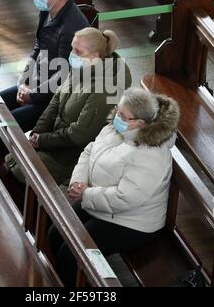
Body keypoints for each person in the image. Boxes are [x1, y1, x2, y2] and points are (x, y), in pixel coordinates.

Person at [48, 88, 180, 286]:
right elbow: (90, 151)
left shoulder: (152, 155)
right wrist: (79, 181)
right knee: (55, 232)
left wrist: (86, 194)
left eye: (122, 115)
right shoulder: (116, 128)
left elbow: (126, 198)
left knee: (70, 254)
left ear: (140, 123)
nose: (116, 117)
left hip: (133, 221)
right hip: (99, 202)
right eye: (117, 111)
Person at [8, 27, 132, 185]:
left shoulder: (106, 89)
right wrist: (38, 133)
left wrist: (43, 141)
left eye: (78, 51)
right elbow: (56, 100)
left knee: (14, 176)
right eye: (73, 48)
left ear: (95, 56)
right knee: (10, 158)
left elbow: (80, 134)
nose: (72, 54)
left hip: (72, 156)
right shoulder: (81, 67)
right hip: (55, 141)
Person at [0, 0, 89, 133]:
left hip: (54, 98)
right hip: (37, 82)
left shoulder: (72, 28)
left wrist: (32, 96)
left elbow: (64, 75)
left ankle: (6, 157)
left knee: (8, 126)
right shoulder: (47, 10)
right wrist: (24, 81)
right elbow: (38, 47)